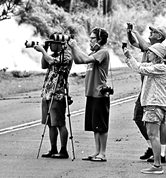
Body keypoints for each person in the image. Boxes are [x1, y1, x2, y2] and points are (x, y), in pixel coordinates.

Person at [123, 43, 166, 174]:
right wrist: (128, 57)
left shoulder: (160, 67)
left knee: (153, 135)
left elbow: (139, 68)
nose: (147, 53)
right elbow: (137, 66)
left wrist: (129, 56)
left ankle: (157, 165)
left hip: (154, 104)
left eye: (150, 52)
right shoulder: (153, 66)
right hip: (152, 104)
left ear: (157, 55)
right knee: (152, 135)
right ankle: (157, 163)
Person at [67, 27, 110, 162]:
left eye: (92, 38)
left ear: (100, 39)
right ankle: (97, 151)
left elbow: (85, 59)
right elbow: (78, 61)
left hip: (100, 94)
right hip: (91, 93)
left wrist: (75, 45)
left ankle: (102, 153)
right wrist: (73, 48)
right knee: (95, 126)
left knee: (101, 126)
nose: (90, 41)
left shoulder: (103, 52)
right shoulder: (95, 53)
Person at [34, 32, 73, 159]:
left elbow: (52, 61)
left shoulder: (66, 56)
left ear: (60, 44)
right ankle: (53, 148)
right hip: (48, 93)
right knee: (50, 123)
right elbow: (44, 64)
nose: (50, 45)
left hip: (58, 93)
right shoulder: (54, 54)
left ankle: (63, 150)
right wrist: (43, 50)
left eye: (52, 43)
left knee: (60, 123)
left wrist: (43, 52)